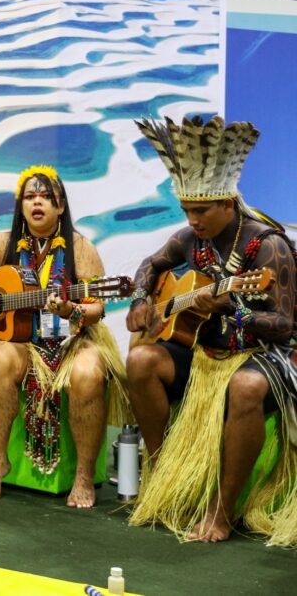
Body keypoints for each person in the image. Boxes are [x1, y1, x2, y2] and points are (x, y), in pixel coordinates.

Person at [126, 115, 297, 544]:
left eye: (200, 211)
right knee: (142, 359)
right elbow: (150, 265)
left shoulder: (268, 246)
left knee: (245, 387)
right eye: (187, 210)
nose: (192, 219)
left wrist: (234, 311)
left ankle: (222, 509)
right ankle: (166, 475)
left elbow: (283, 325)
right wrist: (141, 300)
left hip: (262, 357)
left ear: (227, 205)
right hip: (203, 354)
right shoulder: (190, 239)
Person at [0, 165, 126, 508]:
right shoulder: (4, 243)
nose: (36, 202)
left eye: (45, 196)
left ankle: (83, 475)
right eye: (29, 196)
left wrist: (69, 310)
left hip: (72, 342)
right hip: (22, 343)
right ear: (20, 205)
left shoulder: (81, 248)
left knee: (88, 372)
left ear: (60, 205)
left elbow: (96, 309)